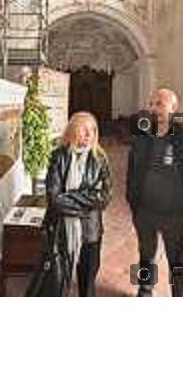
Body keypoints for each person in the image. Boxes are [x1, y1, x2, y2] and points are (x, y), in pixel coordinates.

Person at [127, 88, 183, 297]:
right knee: (146, 255)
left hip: (176, 218)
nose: (154, 108)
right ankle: (145, 289)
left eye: (160, 104)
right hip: (145, 213)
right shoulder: (141, 137)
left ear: (174, 108)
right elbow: (132, 171)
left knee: (178, 262)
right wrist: (133, 202)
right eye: (152, 104)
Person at [38, 111, 112, 297]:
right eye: (84, 129)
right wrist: (87, 200)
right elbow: (54, 199)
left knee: (87, 285)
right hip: (61, 230)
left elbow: (104, 197)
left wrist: (70, 196)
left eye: (93, 130)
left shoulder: (100, 159)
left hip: (90, 231)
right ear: (72, 131)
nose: (89, 135)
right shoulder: (58, 156)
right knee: (58, 282)